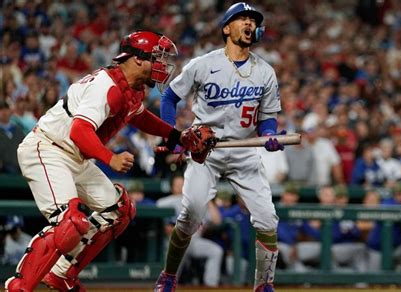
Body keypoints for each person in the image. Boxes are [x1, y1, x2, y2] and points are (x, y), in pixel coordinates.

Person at [5, 31, 201, 291]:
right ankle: (18, 287)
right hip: (48, 148)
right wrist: (111, 158)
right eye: (157, 58)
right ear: (138, 59)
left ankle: (62, 273)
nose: (162, 66)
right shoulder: (106, 86)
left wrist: (178, 136)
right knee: (70, 223)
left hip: (75, 156)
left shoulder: (131, 89)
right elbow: (79, 131)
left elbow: (140, 117)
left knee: (119, 209)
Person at [155, 3, 284, 291]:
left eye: (252, 20)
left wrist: (270, 135)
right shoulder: (203, 64)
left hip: (243, 150)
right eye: (242, 19)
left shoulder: (265, 71)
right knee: (190, 215)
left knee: (267, 218)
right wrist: (170, 135)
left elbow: (267, 119)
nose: (249, 23)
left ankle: (264, 284)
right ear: (227, 28)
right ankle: (168, 276)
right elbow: (169, 98)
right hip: (206, 152)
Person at [156, 175, 224, 287]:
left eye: (183, 184)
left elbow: (217, 220)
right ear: (172, 187)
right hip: (174, 241)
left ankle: (211, 286)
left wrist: (208, 199)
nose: (181, 187)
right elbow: (161, 225)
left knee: (216, 251)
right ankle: (168, 286)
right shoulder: (163, 202)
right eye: (177, 185)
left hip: (194, 242)